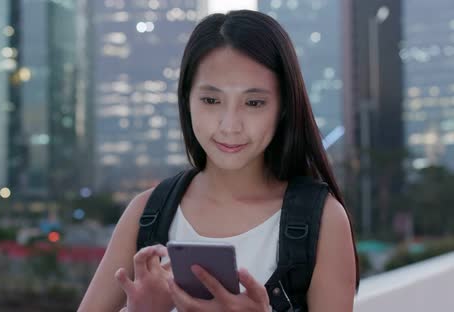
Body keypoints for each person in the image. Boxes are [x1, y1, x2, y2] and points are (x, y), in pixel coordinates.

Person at [79, 10, 358, 312]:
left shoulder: (323, 221)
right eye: (211, 100)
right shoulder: (146, 214)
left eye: (253, 103)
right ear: (186, 100)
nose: (230, 125)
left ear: (283, 107)